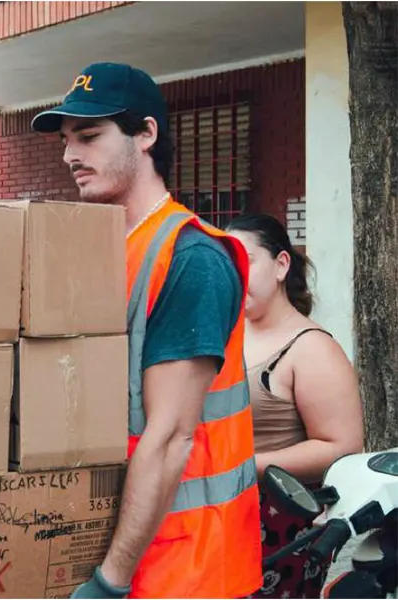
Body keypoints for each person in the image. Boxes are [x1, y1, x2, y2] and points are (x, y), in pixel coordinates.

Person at [31, 62, 262, 599]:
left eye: (89, 137)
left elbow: (171, 436)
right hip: (128, 555)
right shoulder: (114, 248)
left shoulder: (192, 255)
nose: (70, 156)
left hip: (187, 570)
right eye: (67, 141)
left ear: (147, 134)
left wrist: (110, 582)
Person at [226, 213, 364, 598]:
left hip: (276, 530)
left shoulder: (312, 348)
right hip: (215, 519)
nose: (234, 273)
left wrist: (245, 465)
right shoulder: (224, 333)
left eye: (246, 260)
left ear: (281, 265)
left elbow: (343, 445)